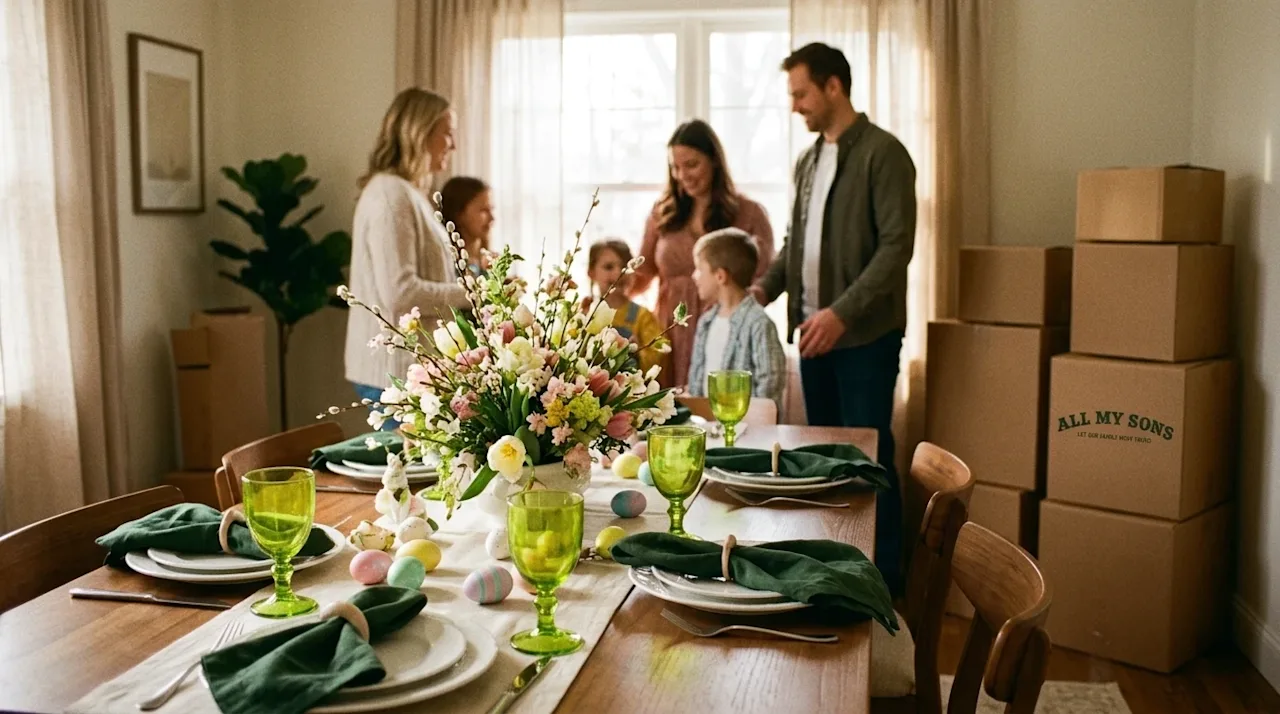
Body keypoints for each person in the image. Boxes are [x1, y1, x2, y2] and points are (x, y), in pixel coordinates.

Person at [751, 43, 917, 594]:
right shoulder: (808, 162)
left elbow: (896, 249)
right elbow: (797, 244)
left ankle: (884, 583)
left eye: (800, 93)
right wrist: (763, 290)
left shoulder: (885, 154)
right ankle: (832, 572)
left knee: (867, 464)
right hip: (813, 338)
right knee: (821, 465)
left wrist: (841, 315)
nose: (796, 105)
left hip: (865, 338)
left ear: (833, 87)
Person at [345, 88, 470, 418]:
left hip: (410, 369)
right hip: (394, 371)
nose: (453, 145)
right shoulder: (391, 197)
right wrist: (472, 293)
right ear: (421, 134)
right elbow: (400, 294)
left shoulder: (406, 193)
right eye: (448, 133)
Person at [630, 119, 775, 390]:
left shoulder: (750, 214)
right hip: (670, 330)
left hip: (725, 328)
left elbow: (765, 279)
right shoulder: (662, 214)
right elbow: (642, 272)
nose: (683, 175)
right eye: (676, 167)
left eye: (692, 164)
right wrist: (608, 291)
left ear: (715, 162)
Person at [686, 228, 786, 414]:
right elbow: (696, 381)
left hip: (748, 430)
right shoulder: (706, 322)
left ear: (720, 276)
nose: (694, 276)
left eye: (699, 269)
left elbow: (770, 385)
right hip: (709, 426)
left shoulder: (759, 323)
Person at [584, 239, 666, 376]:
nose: (618, 273)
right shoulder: (581, 313)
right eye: (609, 267)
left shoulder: (643, 317)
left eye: (624, 267)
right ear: (591, 273)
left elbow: (657, 359)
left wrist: (638, 352)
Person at [439, 175, 494, 276]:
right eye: (483, 210)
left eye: (491, 209)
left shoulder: (487, 262)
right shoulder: (446, 263)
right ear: (459, 214)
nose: (492, 218)